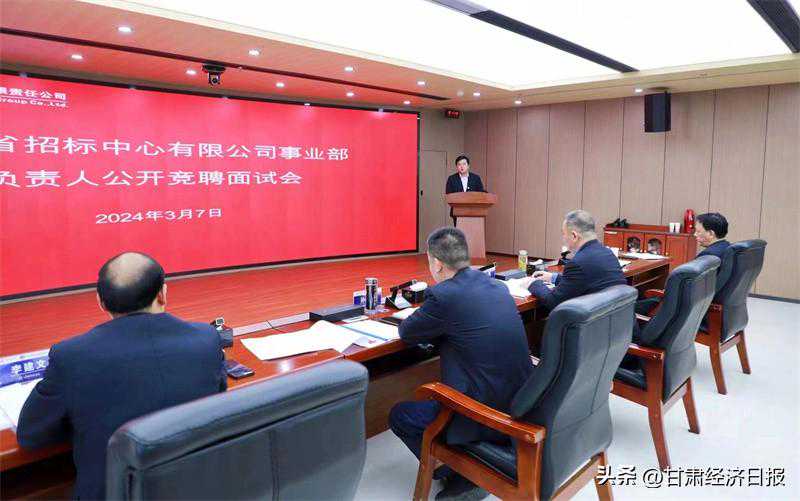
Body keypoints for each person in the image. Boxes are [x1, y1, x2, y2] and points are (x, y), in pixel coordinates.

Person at [17, 252, 227, 500]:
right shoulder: (206, 339)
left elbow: (30, 435)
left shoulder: (71, 356)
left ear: (101, 302)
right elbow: (219, 392)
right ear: (162, 294)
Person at [389, 228, 532, 501]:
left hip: (480, 414)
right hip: (519, 404)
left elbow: (407, 332)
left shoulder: (443, 295)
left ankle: (466, 473)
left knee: (400, 415)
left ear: (437, 263)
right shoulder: (497, 286)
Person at [522, 210, 626, 311]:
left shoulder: (577, 263)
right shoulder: (607, 253)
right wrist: (553, 277)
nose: (563, 238)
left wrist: (534, 284)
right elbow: (583, 281)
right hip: (614, 317)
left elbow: (553, 302)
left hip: (593, 321)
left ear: (574, 236)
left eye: (564, 234)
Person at [635, 212, 731, 318]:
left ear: (711, 234)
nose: (695, 235)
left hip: (691, 307)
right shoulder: (726, 248)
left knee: (639, 302)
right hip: (713, 304)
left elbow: (691, 287)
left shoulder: (709, 256)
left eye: (698, 231)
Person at [445, 155, 485, 226]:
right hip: (457, 212)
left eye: (464, 164)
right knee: (460, 232)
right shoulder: (451, 179)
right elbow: (449, 195)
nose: (462, 166)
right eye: (459, 164)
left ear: (468, 166)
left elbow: (481, 193)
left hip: (474, 212)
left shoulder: (476, 178)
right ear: (456, 167)